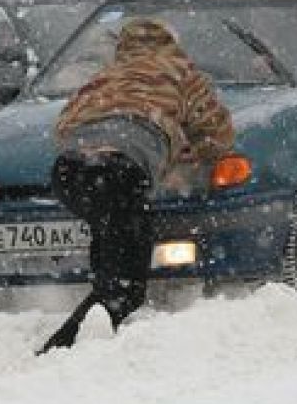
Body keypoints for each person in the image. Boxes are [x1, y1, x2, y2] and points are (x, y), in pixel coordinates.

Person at [38, 18, 234, 354]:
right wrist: (188, 150)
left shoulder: (107, 74)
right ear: (170, 42)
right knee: (126, 283)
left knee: (109, 243)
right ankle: (68, 349)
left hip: (70, 170)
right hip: (120, 167)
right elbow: (218, 133)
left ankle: (91, 330)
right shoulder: (180, 71)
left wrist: (97, 139)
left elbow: (61, 128)